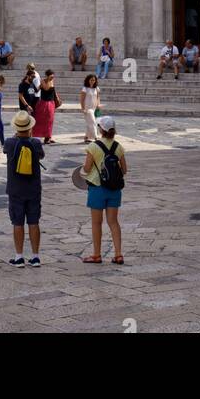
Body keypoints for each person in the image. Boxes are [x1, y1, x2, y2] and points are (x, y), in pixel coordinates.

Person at [81, 114, 127, 263]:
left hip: (97, 188)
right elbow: (124, 170)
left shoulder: (93, 147)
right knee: (113, 222)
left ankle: (96, 254)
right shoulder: (118, 147)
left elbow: (87, 169)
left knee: (96, 222)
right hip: (114, 189)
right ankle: (118, 254)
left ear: (101, 129)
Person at [3, 110, 44, 266]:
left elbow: (6, 150)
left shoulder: (10, 143)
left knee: (17, 223)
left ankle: (19, 256)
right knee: (34, 222)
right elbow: (41, 156)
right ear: (30, 127)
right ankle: (35, 256)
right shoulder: (36, 143)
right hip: (33, 189)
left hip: (15, 189)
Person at [33, 69, 60, 144]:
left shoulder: (51, 81)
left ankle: (48, 136)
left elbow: (53, 90)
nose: (52, 77)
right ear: (47, 75)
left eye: (53, 76)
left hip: (51, 103)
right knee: (43, 120)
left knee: (50, 121)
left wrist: (57, 97)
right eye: (51, 76)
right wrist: (47, 81)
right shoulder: (43, 81)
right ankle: (44, 136)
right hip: (44, 103)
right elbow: (46, 88)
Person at [80, 72, 100, 143]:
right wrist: (83, 109)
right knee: (93, 122)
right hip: (87, 108)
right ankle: (96, 137)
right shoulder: (85, 89)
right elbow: (82, 100)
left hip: (94, 108)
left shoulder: (96, 88)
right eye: (91, 80)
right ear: (88, 80)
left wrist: (98, 105)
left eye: (94, 80)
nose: (92, 81)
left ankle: (87, 137)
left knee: (90, 122)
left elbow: (98, 97)